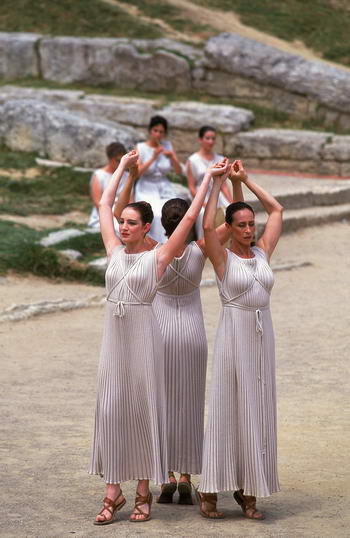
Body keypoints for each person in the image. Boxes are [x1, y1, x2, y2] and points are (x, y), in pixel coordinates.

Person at [89, 150, 229, 525]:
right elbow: (104, 201)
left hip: (145, 343)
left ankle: (139, 492)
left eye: (131, 222)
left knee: (145, 413)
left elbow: (188, 219)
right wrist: (122, 167)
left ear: (147, 227)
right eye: (121, 222)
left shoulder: (159, 257)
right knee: (112, 412)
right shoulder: (113, 251)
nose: (122, 226)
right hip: (113, 347)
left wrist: (209, 183)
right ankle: (113, 488)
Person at [113, 159, 244, 505]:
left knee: (161, 403)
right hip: (192, 333)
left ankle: (167, 475)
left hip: (159, 332)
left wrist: (131, 177)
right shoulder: (202, 249)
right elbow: (230, 218)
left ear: (161, 224)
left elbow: (116, 216)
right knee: (189, 403)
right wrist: (225, 184)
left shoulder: (155, 251)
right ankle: (186, 475)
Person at [197, 161, 283, 520]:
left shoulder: (263, 250)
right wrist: (217, 183)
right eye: (242, 225)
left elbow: (277, 209)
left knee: (257, 410)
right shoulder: (221, 257)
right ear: (229, 228)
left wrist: (244, 181)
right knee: (227, 408)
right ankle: (210, 489)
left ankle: (249, 490)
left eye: (251, 224)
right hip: (234, 334)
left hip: (263, 338)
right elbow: (204, 228)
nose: (249, 230)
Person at [135, 115, 182, 244]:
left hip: (163, 185)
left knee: (172, 212)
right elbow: (137, 173)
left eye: (161, 132)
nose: (158, 134)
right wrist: (153, 157)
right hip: (146, 186)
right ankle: (154, 244)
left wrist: (172, 157)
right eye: (155, 131)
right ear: (150, 131)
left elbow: (178, 172)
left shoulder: (167, 145)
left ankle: (172, 243)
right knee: (155, 214)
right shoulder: (141, 147)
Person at [186, 125, 233, 239]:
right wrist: (202, 204)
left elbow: (224, 186)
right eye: (207, 138)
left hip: (218, 194)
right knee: (203, 214)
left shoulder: (220, 158)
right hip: (201, 195)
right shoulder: (193, 160)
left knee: (230, 212)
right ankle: (204, 245)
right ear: (200, 139)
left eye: (213, 138)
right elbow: (191, 186)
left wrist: (232, 202)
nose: (211, 141)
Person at [88, 141, 128, 229]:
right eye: (117, 160)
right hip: (105, 212)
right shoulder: (99, 175)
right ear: (110, 158)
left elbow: (131, 200)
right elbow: (98, 203)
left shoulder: (126, 176)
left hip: (123, 212)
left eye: (122, 161)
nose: (120, 164)